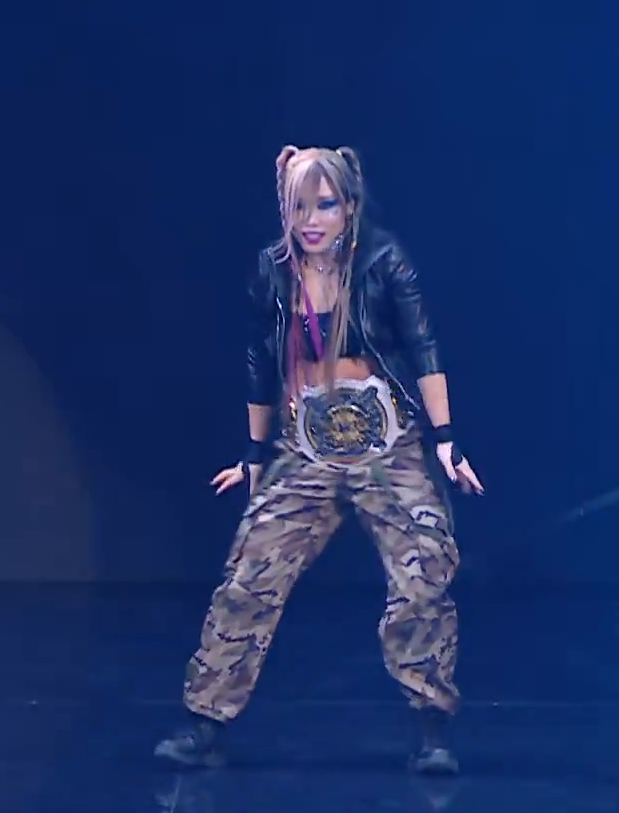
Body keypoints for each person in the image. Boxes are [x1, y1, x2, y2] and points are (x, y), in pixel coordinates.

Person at [154, 145, 485, 775]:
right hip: (305, 447)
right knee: (250, 574)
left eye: (325, 205)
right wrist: (254, 452)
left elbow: (422, 345)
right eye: (298, 206)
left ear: (349, 207)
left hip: (386, 444)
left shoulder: (383, 261)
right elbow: (260, 359)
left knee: (424, 568)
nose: (310, 220)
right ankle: (205, 723)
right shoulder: (273, 270)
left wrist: (446, 438)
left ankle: (431, 726)